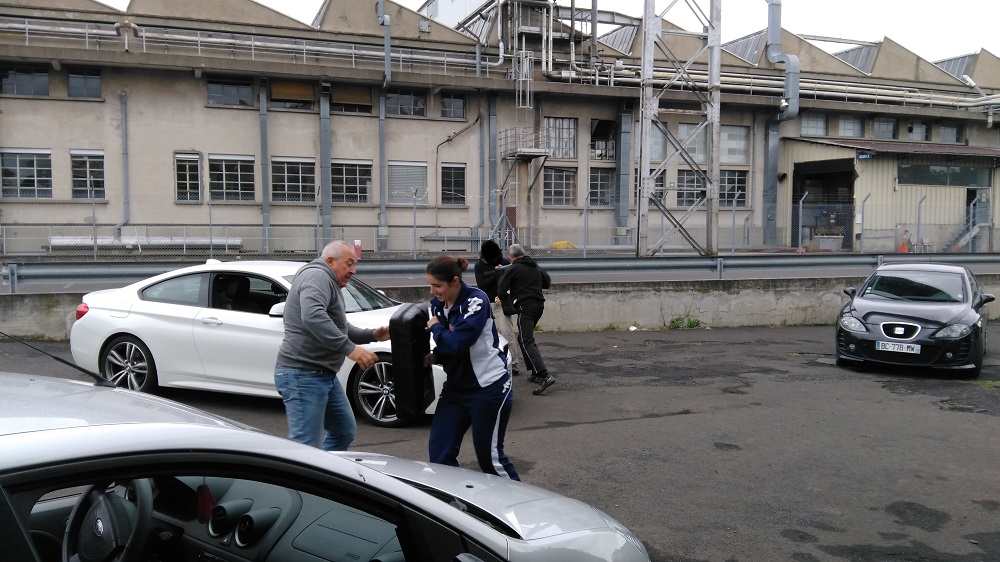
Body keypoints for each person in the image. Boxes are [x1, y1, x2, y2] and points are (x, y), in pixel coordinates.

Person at [274, 240, 389, 451]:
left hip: (321, 374)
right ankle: (301, 482)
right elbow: (313, 317)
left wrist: (372, 335)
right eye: (349, 264)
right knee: (305, 446)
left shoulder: (328, 281)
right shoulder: (318, 276)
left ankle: (324, 478)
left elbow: (340, 327)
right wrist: (350, 349)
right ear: (330, 261)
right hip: (302, 374)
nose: (353, 271)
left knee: (343, 431)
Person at [424, 256, 520, 480]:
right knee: (439, 455)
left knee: (490, 459)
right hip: (456, 389)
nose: (432, 291)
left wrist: (437, 328)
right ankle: (454, 507)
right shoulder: (437, 305)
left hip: (489, 389)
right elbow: (449, 345)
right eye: (429, 285)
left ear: (455, 281)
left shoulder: (476, 300)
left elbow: (458, 343)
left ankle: (518, 508)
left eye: (437, 285)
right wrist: (434, 354)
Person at [497, 243, 554, 395]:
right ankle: (535, 373)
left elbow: (501, 290)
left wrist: (510, 296)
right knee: (525, 339)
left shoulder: (513, 268)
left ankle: (544, 375)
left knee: (526, 339)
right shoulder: (535, 266)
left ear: (510, 256)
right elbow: (547, 283)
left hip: (525, 307)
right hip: (538, 306)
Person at [473, 239, 522, 377]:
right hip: (487, 303)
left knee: (506, 331)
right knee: (486, 334)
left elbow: (513, 283)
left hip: (502, 303)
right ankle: (490, 362)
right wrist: (496, 272)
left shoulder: (505, 263)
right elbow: (482, 285)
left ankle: (514, 363)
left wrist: (506, 294)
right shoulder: (479, 265)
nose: (491, 261)